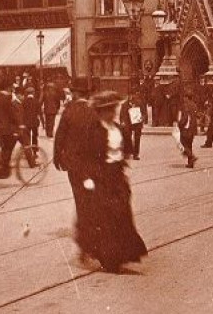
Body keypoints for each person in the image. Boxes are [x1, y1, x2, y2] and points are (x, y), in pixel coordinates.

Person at [81, 90, 147, 274]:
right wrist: (87, 178)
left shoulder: (118, 129)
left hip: (117, 176)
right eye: (109, 110)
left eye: (113, 109)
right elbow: (87, 157)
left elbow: (127, 149)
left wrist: (124, 165)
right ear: (101, 112)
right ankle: (110, 258)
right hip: (101, 177)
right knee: (106, 218)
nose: (113, 113)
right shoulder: (94, 131)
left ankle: (124, 254)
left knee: (122, 213)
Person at [54, 88, 101, 265]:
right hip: (91, 166)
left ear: (75, 94)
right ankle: (89, 241)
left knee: (80, 199)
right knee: (90, 200)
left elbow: (60, 136)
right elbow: (98, 139)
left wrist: (58, 158)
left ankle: (84, 240)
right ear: (88, 95)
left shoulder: (69, 111)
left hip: (74, 167)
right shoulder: (93, 112)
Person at [119, 91, 145, 160]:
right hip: (128, 123)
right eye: (129, 96)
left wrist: (142, 118)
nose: (131, 97)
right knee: (127, 136)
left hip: (137, 123)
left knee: (137, 138)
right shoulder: (124, 104)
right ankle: (128, 152)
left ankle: (136, 154)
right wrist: (122, 122)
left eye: (132, 96)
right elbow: (122, 115)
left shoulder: (139, 103)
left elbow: (144, 113)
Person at [176, 90, 198, 168]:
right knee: (189, 144)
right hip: (192, 128)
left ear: (186, 97)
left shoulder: (185, 105)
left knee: (182, 142)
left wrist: (179, 124)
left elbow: (184, 117)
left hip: (186, 128)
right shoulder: (194, 105)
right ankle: (190, 163)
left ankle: (191, 157)